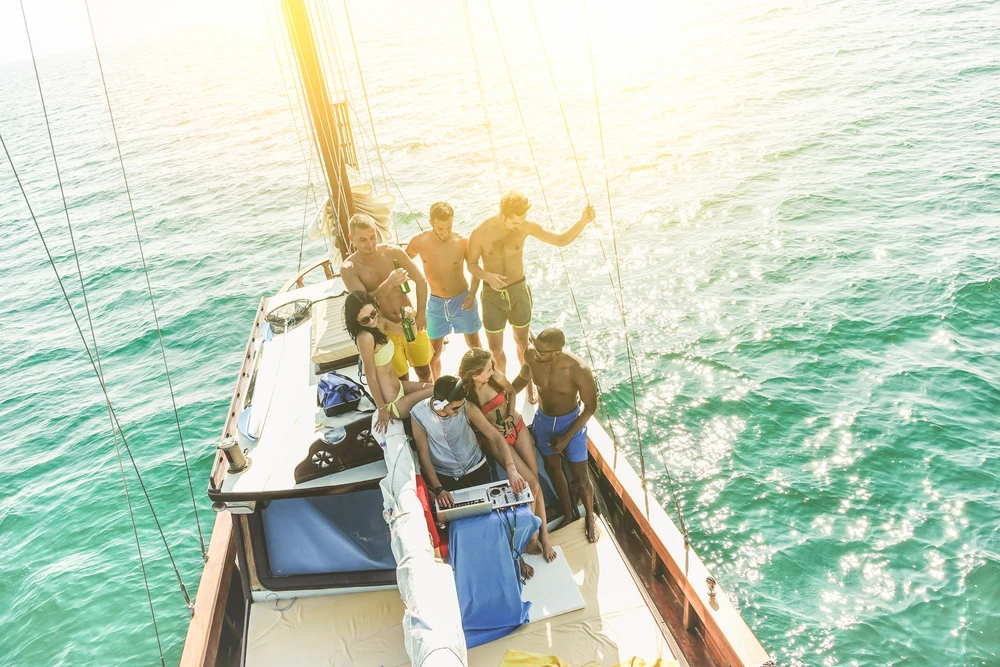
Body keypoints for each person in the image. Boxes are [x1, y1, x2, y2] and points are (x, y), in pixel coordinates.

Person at [466, 191, 595, 402]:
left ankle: (527, 388)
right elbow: (471, 265)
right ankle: (503, 390)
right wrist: (487, 276)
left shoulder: (526, 226)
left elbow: (561, 240)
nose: (519, 226)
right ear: (502, 215)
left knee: (523, 343)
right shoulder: (480, 232)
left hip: (518, 291)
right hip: (492, 295)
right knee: (495, 349)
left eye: (521, 221)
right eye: (515, 222)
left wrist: (582, 222)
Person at [459, 348, 556, 562]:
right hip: (496, 440)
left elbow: (511, 392)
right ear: (474, 375)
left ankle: (543, 537)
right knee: (532, 484)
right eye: (487, 370)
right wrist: (501, 428)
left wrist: (511, 415)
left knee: (535, 482)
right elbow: (490, 432)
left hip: (517, 426)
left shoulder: (496, 378)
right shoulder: (469, 400)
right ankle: (532, 536)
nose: (492, 371)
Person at [512, 328, 601, 543]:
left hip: (571, 424)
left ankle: (589, 516)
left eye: (541, 352)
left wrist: (567, 437)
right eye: (535, 349)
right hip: (543, 421)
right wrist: (499, 400)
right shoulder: (532, 356)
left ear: (556, 352)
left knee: (580, 475)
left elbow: (590, 407)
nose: (535, 354)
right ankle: (569, 512)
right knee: (553, 469)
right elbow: (521, 380)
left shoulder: (579, 369)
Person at [341, 212, 433, 382]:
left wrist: (421, 313)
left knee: (425, 372)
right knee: (401, 379)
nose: (370, 244)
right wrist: (389, 284)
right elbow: (364, 306)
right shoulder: (349, 268)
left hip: (410, 320)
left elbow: (420, 281)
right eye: (363, 240)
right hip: (384, 329)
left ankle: (432, 407)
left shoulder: (393, 252)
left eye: (372, 236)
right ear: (351, 238)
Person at [405, 202, 483, 380]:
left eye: (449, 226)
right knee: (434, 352)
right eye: (440, 227)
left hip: (463, 299)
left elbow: (475, 268)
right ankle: (434, 389)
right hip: (435, 303)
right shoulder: (419, 241)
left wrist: (472, 294)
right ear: (431, 221)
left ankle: (486, 379)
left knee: (474, 345)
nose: (445, 232)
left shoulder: (462, 242)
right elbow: (402, 261)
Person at [344, 291, 432, 434]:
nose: (372, 321)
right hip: (393, 402)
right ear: (356, 320)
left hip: (399, 386)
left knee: (436, 387)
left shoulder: (380, 323)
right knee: (438, 391)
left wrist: (410, 319)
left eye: (373, 314)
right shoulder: (365, 338)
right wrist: (382, 410)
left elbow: (411, 335)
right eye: (365, 320)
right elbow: (371, 378)